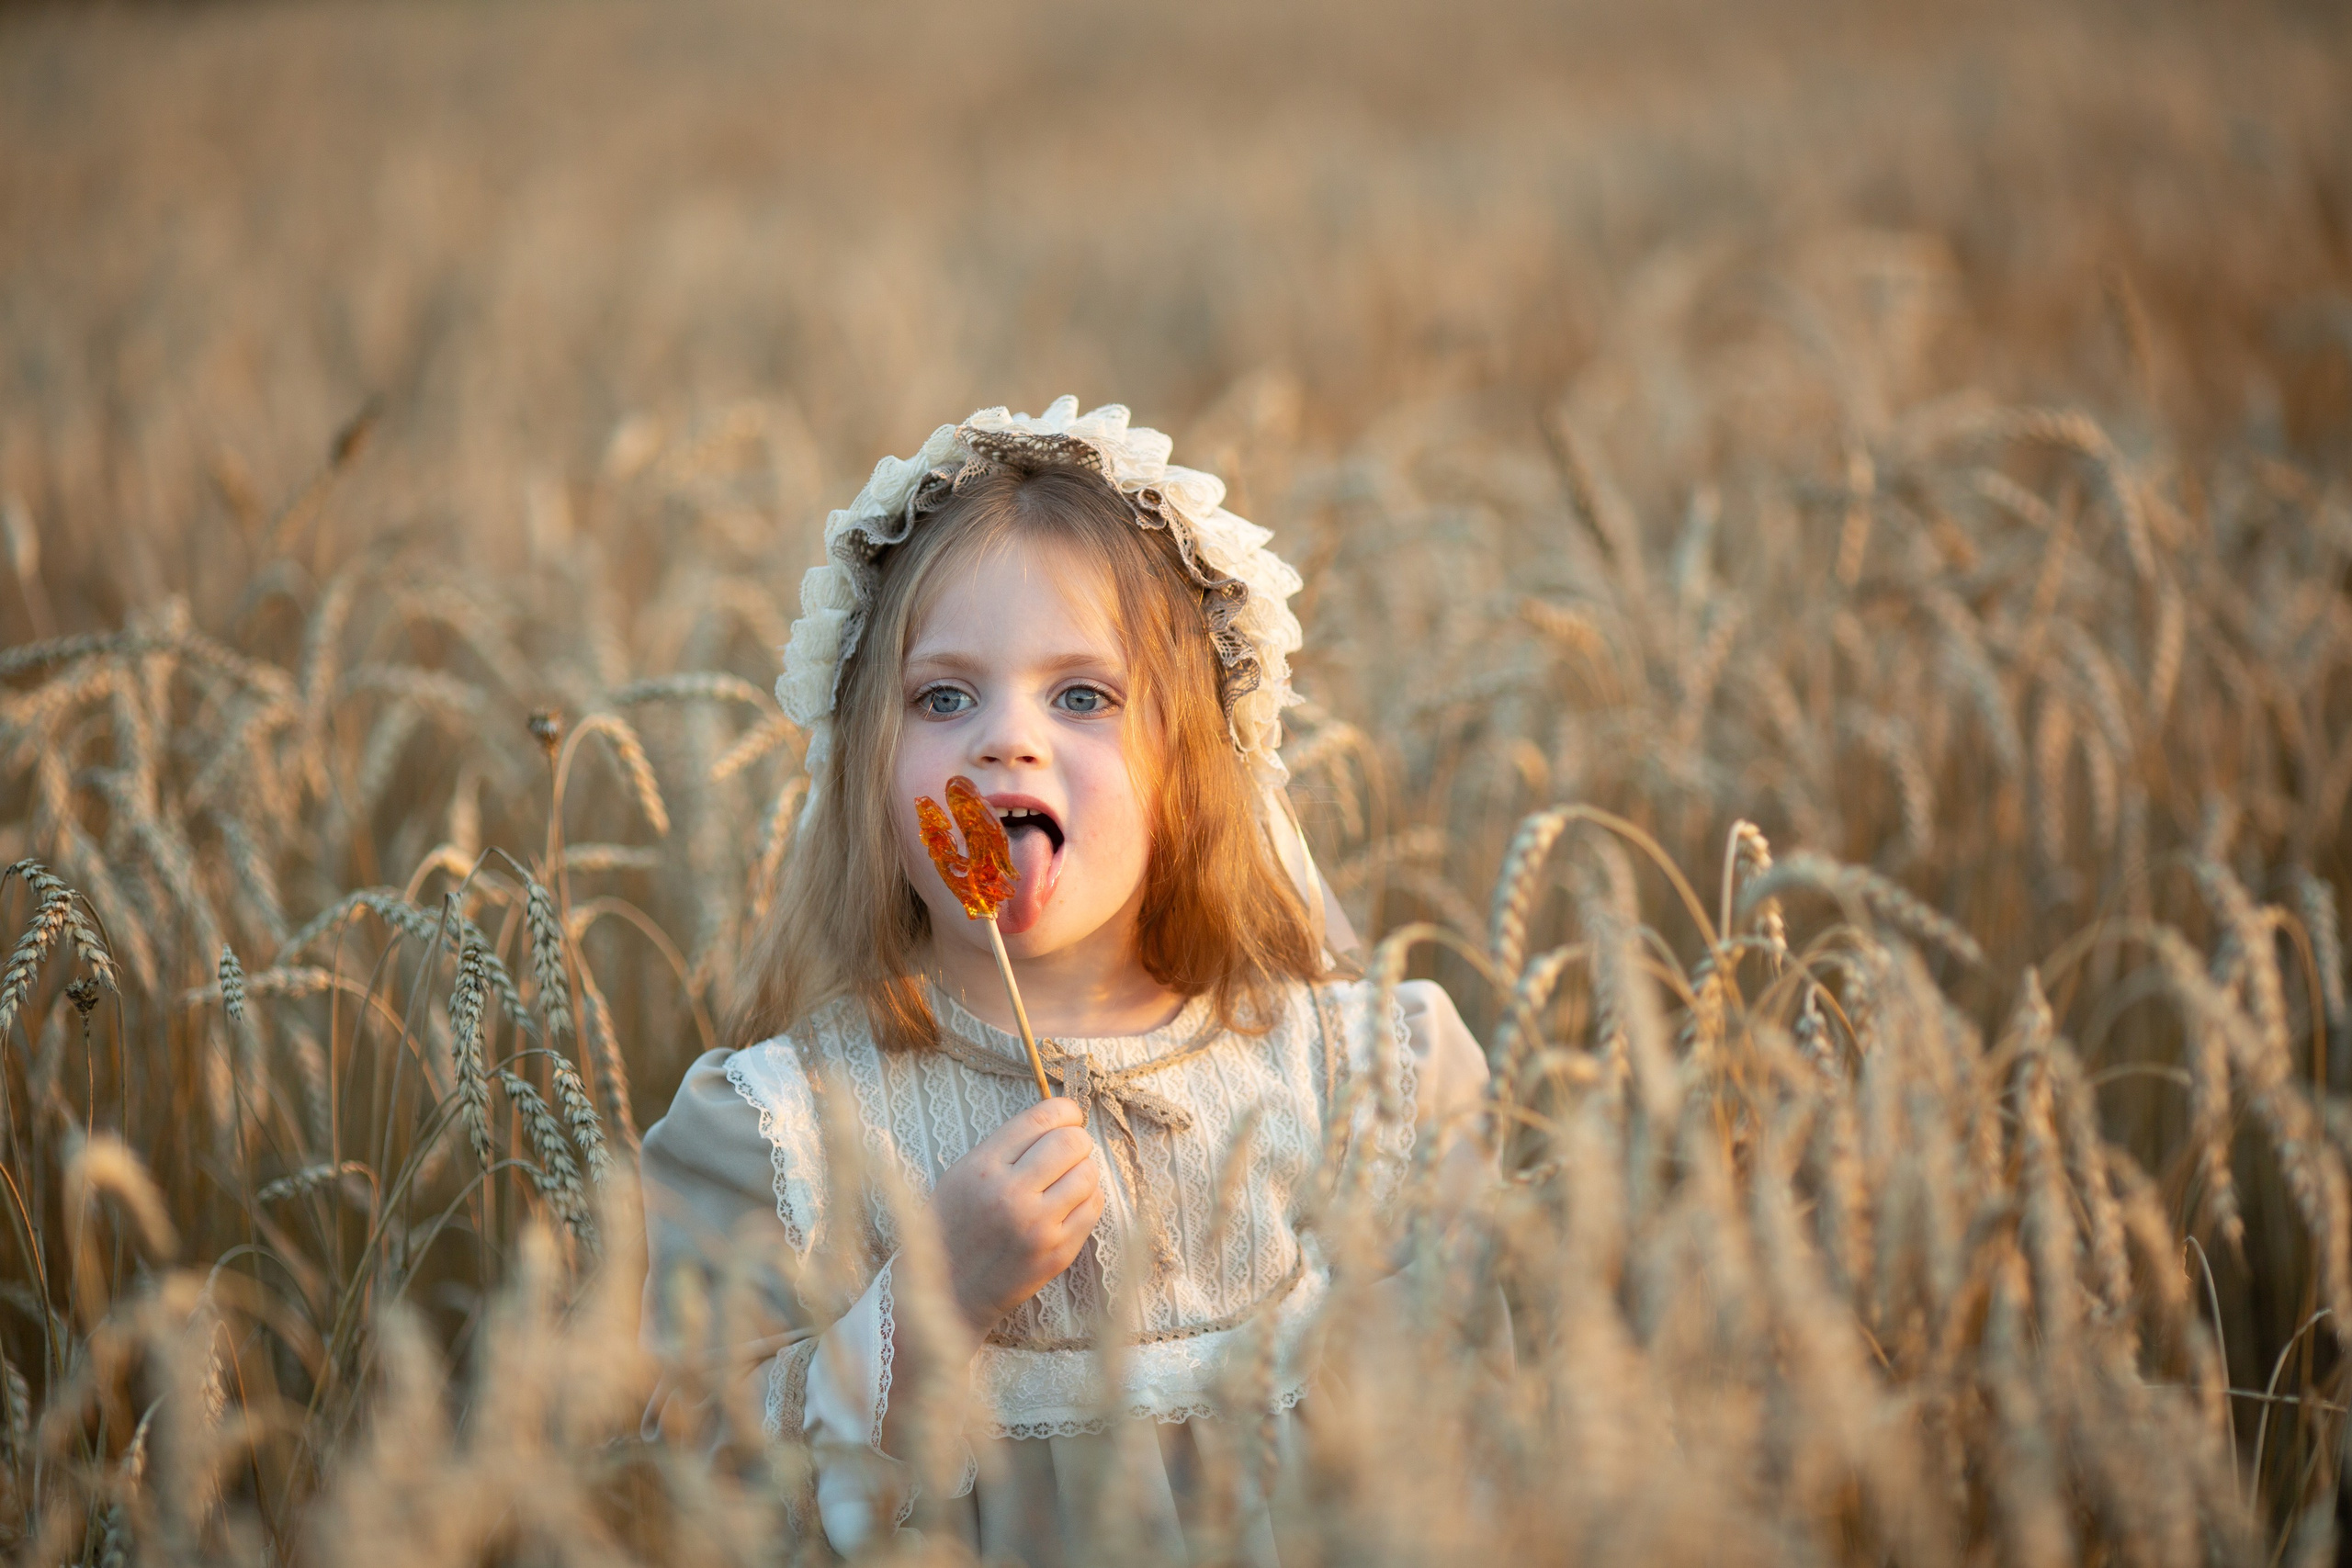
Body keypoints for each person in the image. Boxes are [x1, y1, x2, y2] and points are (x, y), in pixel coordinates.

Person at [639, 398, 1488, 1564]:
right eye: (943, 698)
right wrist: (931, 1299)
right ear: (864, 765)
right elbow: (690, 1485)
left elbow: (1479, 1440)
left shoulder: (1353, 1078)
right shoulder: (789, 1130)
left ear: (1195, 766)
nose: (1006, 741)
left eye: (1082, 696)